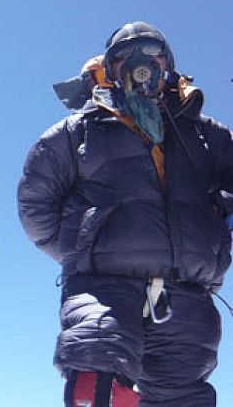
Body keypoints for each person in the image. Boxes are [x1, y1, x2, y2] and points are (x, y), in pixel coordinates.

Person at [18, 21, 233, 406]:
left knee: (183, 397)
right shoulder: (77, 132)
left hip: (187, 292)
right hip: (103, 286)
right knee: (95, 384)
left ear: (167, 64)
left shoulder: (207, 136)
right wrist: (84, 247)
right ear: (111, 69)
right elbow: (36, 205)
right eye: (125, 57)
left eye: (151, 54)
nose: (140, 65)